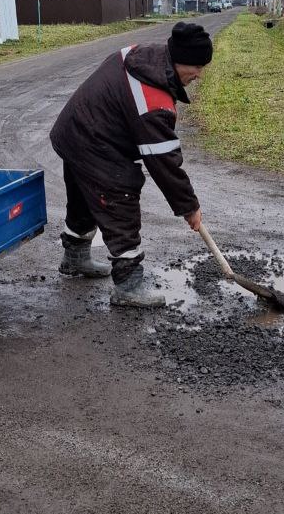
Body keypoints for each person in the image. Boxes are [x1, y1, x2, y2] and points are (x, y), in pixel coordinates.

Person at [50, 20, 213, 308]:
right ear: (180, 60)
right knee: (119, 193)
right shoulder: (153, 99)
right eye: (197, 67)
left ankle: (74, 257)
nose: (199, 74)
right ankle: (128, 286)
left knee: (85, 198)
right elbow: (165, 163)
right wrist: (190, 207)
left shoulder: (146, 57)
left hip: (75, 130)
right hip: (92, 139)